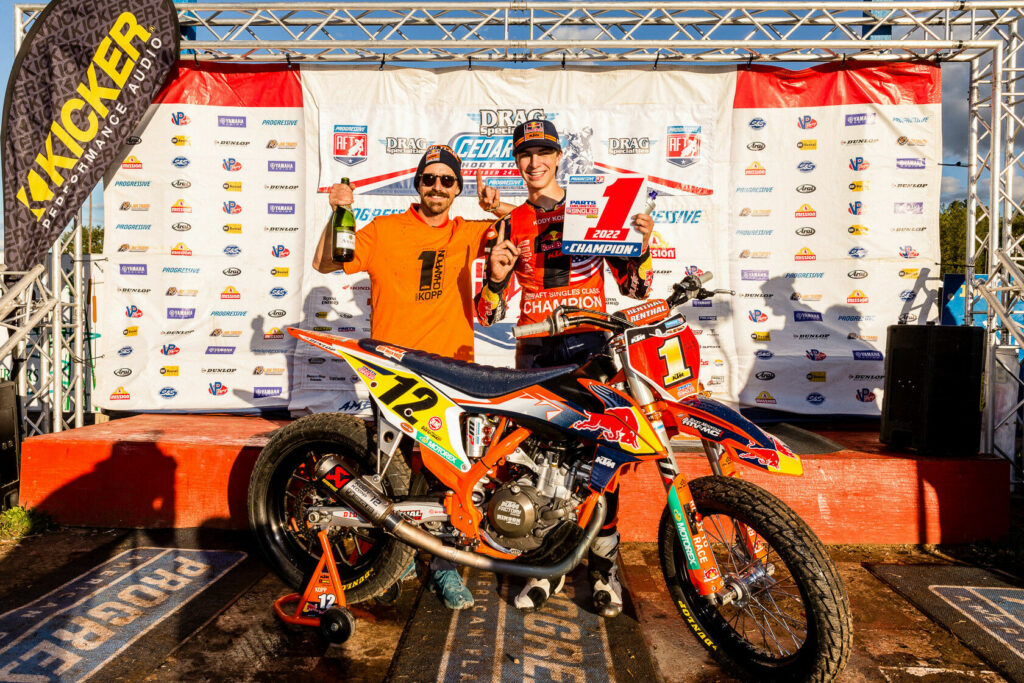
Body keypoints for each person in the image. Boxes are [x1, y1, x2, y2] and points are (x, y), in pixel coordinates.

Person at [313, 144, 511, 609]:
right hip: (393, 374)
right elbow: (326, 262)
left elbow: (526, 230)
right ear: (417, 184)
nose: (437, 187)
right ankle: (392, 561)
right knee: (391, 478)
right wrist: (339, 213)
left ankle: (443, 569)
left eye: (447, 180)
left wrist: (498, 207)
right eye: (429, 179)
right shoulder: (383, 231)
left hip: (452, 374)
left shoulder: (471, 230)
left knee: (450, 478)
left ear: (457, 188)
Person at [474, 119, 655, 618]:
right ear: (516, 160)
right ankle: (548, 567)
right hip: (535, 360)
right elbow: (487, 314)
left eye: (544, 153)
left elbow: (636, 290)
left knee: (602, 466)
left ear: (557, 157)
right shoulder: (508, 225)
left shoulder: (594, 209)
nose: (534, 163)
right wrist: (495, 278)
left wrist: (639, 248)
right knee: (540, 468)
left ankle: (603, 570)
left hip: (591, 352)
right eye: (525, 154)